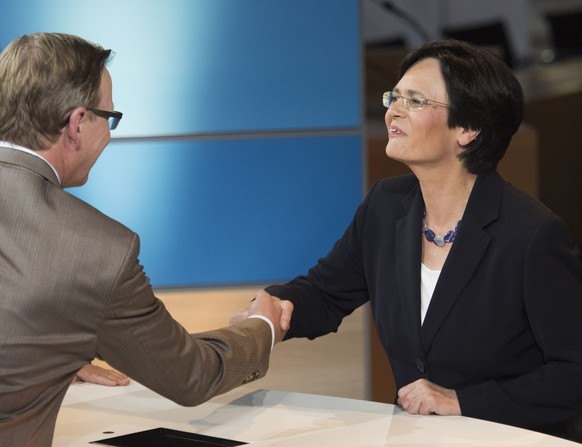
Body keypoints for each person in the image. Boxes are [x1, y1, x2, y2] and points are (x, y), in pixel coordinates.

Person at [232, 39, 582, 440]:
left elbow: (574, 373)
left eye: (415, 101)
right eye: (394, 97)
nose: (393, 111)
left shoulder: (532, 234)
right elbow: (327, 294)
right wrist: (279, 307)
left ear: (468, 128)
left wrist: (462, 401)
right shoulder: (385, 205)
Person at [0, 32, 292, 447]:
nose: (110, 133)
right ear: (77, 123)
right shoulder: (97, 251)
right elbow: (191, 375)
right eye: (109, 117)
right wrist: (261, 327)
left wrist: (41, 349)